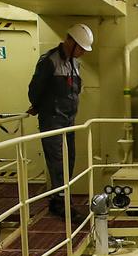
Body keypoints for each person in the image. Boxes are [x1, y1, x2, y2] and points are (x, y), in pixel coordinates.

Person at [26, 23, 93, 217]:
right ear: (70, 41)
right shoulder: (49, 61)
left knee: (69, 159)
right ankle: (62, 203)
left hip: (68, 120)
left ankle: (58, 200)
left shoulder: (75, 64)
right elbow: (35, 89)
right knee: (57, 162)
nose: (82, 52)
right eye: (81, 48)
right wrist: (38, 105)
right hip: (53, 120)